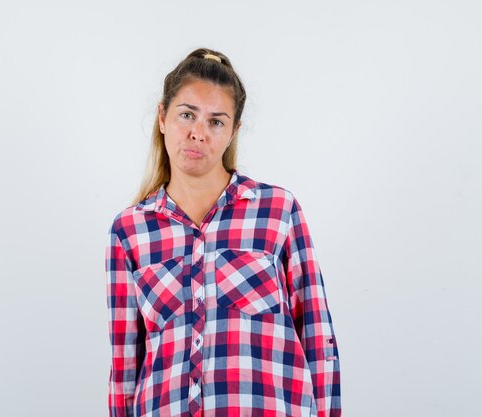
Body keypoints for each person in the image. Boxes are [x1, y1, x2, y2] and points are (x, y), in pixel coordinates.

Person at [105, 47, 341, 417]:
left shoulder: (277, 211)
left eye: (216, 122)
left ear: (233, 131)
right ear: (163, 117)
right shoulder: (129, 230)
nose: (198, 133)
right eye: (187, 115)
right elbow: (125, 363)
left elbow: (316, 333)